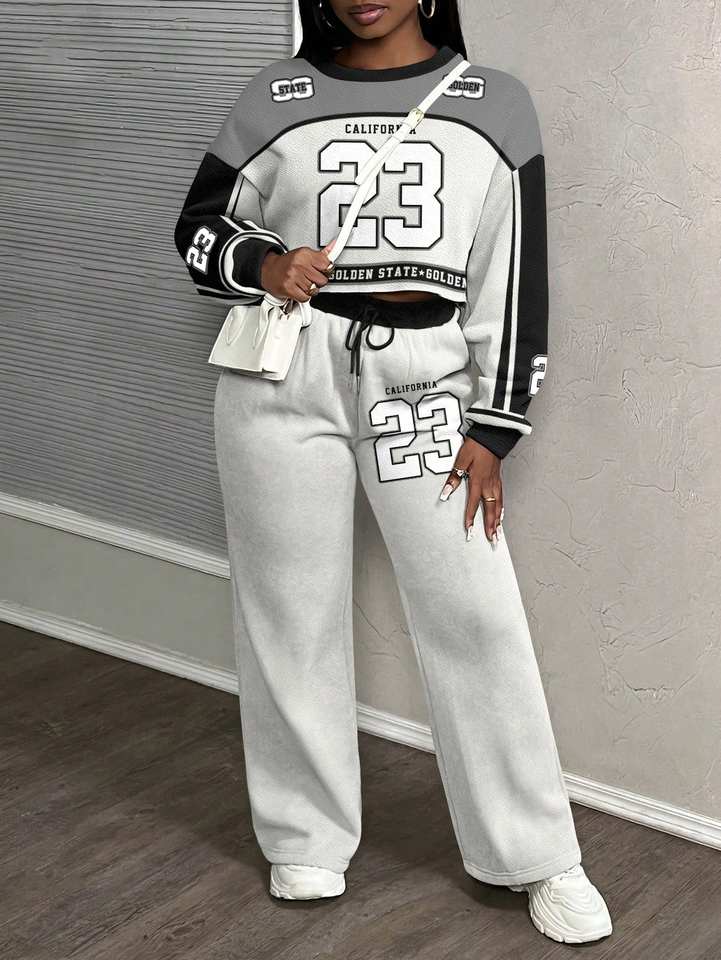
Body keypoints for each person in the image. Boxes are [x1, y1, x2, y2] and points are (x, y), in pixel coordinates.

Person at [174, 0, 613, 944]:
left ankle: (537, 853)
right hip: (281, 375)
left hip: (422, 384)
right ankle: (304, 835)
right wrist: (265, 262)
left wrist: (496, 425)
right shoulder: (275, 95)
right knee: (286, 609)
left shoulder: (493, 101)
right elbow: (199, 229)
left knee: (473, 613)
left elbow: (514, 272)